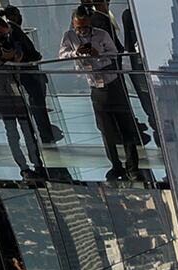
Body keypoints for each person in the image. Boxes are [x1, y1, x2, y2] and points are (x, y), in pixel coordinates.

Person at [59, 5, 141, 181]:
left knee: (125, 125)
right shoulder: (69, 37)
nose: (82, 31)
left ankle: (133, 167)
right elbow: (61, 55)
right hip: (95, 87)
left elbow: (114, 54)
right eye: (78, 28)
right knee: (105, 129)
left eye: (85, 27)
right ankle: (115, 165)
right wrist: (76, 52)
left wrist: (98, 55)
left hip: (113, 84)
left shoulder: (102, 34)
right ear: (74, 25)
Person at [0, 14, 47, 180]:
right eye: (0, 33)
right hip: (0, 92)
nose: (4, 36)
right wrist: (2, 58)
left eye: (6, 33)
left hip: (16, 90)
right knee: (12, 132)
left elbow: (23, 60)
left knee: (28, 129)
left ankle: (37, 163)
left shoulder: (12, 41)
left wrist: (16, 57)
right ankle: (23, 167)